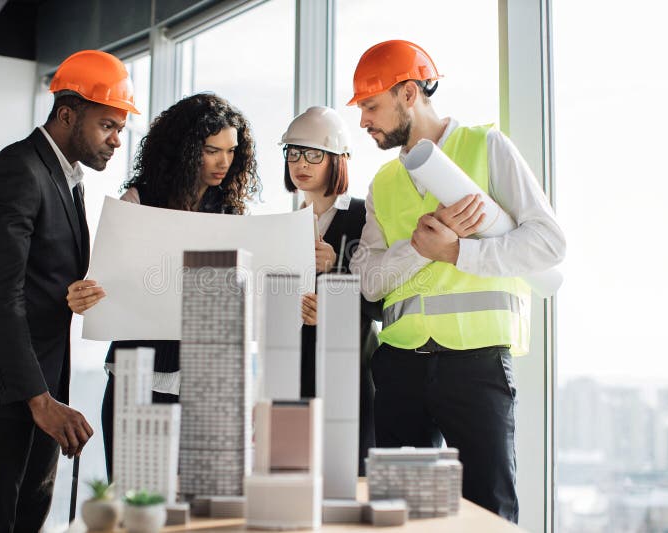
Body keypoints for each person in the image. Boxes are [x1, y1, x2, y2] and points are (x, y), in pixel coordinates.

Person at [347, 40, 566, 522]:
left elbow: (549, 244)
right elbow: (368, 282)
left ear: (409, 93)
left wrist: (458, 251)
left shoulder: (487, 147)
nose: (363, 120)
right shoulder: (382, 183)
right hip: (400, 366)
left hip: (477, 367)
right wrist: (422, 249)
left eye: (370, 105)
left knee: (489, 515)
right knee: (400, 517)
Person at [0, 49, 139, 533]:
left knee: (26, 519)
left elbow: (21, 279)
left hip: (40, 387)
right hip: (7, 394)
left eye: (121, 129)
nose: (116, 140)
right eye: (108, 125)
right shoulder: (18, 171)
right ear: (68, 115)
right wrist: (39, 400)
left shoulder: (65, 179)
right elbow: (2, 295)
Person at [65, 93, 259, 479]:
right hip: (135, 381)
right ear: (185, 150)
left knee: (197, 508)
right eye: (211, 150)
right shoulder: (138, 202)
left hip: (206, 387)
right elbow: (107, 285)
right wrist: (85, 295)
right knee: (137, 504)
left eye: (231, 151)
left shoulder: (233, 214)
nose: (224, 162)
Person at [280, 106, 380, 474]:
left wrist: (337, 267)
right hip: (293, 370)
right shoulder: (286, 223)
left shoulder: (363, 216)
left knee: (347, 476)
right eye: (293, 153)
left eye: (313, 154)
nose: (300, 163)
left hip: (350, 372)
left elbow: (381, 299)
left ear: (338, 160)